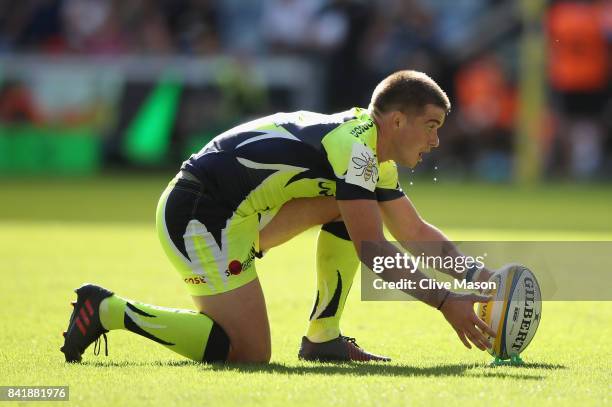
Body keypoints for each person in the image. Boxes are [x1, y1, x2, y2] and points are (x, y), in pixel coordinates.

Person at [60, 70, 496, 364]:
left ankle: (323, 338)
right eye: (433, 125)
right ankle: (109, 310)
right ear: (398, 121)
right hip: (199, 214)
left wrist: (475, 276)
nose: (437, 141)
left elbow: (413, 231)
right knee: (248, 354)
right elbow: (374, 250)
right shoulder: (356, 147)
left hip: (238, 214)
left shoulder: (369, 151)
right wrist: (444, 301)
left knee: (354, 211)